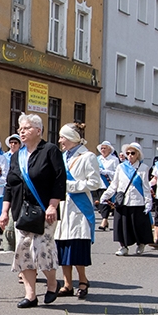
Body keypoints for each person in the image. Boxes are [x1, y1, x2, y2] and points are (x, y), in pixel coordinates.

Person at [0, 114, 64, 307]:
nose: (22, 132)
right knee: (23, 251)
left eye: (26, 128)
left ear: (38, 130)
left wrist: (53, 205)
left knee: (42, 249)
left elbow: (59, 180)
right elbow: (9, 185)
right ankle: (31, 295)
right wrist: (4, 212)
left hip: (44, 211)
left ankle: (52, 284)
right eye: (20, 129)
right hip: (21, 211)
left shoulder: (50, 150)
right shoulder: (18, 155)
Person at [54, 123, 104, 299]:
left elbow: (94, 182)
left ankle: (83, 280)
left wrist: (69, 186)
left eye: (63, 137)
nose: (60, 141)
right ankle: (67, 284)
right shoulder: (62, 157)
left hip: (79, 207)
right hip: (63, 206)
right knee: (62, 246)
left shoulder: (88, 156)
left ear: (72, 138)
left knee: (76, 247)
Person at [101, 142, 153, 256]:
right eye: (128, 153)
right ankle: (123, 246)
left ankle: (141, 243)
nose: (130, 155)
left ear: (138, 154)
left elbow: (146, 187)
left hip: (137, 201)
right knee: (121, 225)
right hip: (122, 201)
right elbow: (114, 184)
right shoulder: (121, 167)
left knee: (137, 225)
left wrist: (148, 202)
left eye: (132, 153)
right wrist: (106, 195)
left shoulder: (143, 168)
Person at [95, 140, 118, 232]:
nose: (103, 150)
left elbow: (116, 173)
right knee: (101, 203)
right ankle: (105, 219)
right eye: (102, 148)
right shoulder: (98, 159)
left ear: (109, 150)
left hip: (108, 184)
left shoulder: (114, 160)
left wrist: (105, 172)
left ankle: (104, 221)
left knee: (105, 202)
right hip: (99, 183)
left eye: (105, 148)